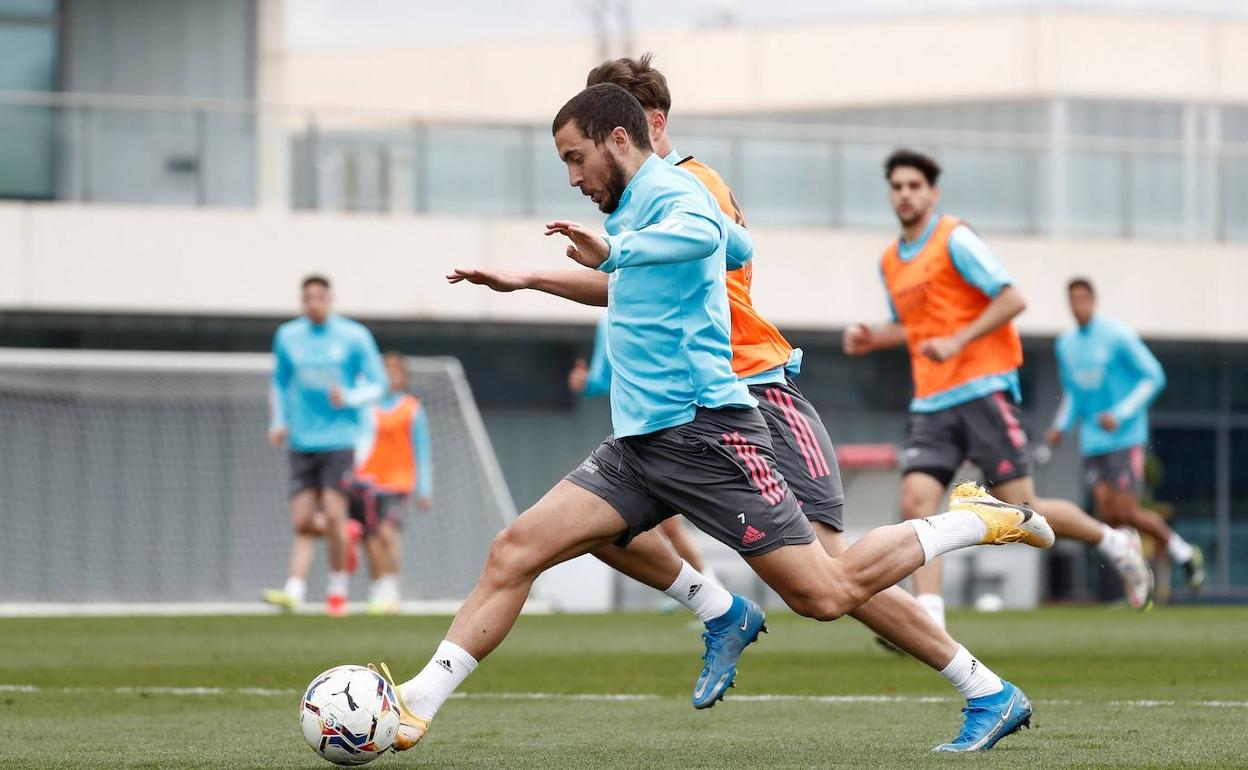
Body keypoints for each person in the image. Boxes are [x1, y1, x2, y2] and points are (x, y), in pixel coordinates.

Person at [374, 84, 1055, 755]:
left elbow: (703, 234)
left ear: (620, 136)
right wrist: (531, 278)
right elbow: (732, 248)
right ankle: (415, 704)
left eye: (576, 158)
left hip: (709, 432)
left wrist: (619, 251)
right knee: (517, 548)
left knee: (825, 592)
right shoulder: (635, 204)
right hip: (640, 442)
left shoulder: (675, 190)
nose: (574, 178)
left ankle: (973, 522)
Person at [843, 149, 1155, 621]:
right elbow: (911, 326)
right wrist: (873, 337)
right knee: (915, 502)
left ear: (932, 193)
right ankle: (930, 617)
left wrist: (958, 341)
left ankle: (1114, 541)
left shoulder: (954, 239)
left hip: (983, 390)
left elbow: (1012, 299)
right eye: (897, 186)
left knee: (1025, 508)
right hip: (930, 401)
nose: (905, 194)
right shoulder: (890, 261)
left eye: (914, 186)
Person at [1047, 277, 1204, 590]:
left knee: (1126, 510)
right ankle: (1136, 579)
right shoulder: (1065, 344)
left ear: (1093, 301)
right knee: (1109, 514)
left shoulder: (1117, 335)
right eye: (1072, 300)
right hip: (1092, 441)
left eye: (1083, 299)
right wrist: (1060, 426)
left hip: (1125, 437)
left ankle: (1183, 552)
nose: (1078, 306)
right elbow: (1073, 393)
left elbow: (1153, 376)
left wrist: (1119, 414)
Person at [264, 275, 386, 617]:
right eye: (308, 298)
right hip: (302, 441)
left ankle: (336, 589)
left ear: (330, 299)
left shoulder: (354, 336)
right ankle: (295, 591)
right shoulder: (288, 336)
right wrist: (278, 421)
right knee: (303, 521)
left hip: (340, 440)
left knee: (334, 512)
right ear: (302, 301)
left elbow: (378, 384)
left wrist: (349, 396)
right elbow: (279, 382)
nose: (314, 303)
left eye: (320, 297)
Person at [569, 313, 722, 587]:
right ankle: (709, 593)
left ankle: (712, 593)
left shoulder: (672, 308)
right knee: (656, 526)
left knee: (670, 525)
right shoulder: (608, 321)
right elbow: (603, 378)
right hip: (633, 437)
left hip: (680, 428)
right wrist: (586, 382)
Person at [348, 351, 434, 615]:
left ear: (404, 378)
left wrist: (424, 487)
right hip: (366, 481)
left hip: (398, 482)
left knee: (387, 532)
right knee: (369, 536)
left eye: (395, 372)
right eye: (385, 371)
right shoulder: (367, 407)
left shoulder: (411, 408)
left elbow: (421, 449)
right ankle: (378, 587)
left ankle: (392, 587)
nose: (390, 377)